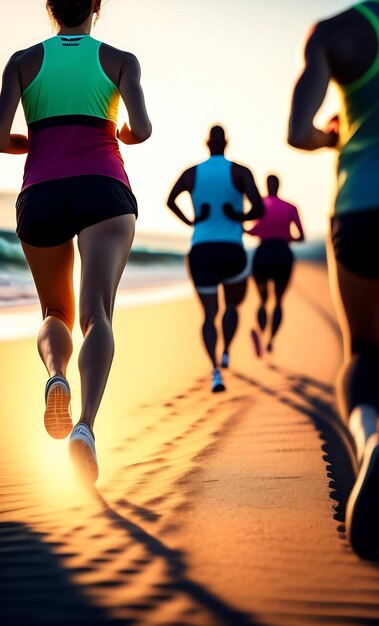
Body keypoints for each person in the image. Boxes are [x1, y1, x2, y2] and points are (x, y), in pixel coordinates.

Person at [0, 0, 152, 483]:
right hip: (103, 188)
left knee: (55, 313)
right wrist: (120, 132)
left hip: (41, 192)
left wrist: (32, 144)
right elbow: (142, 130)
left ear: (50, 7)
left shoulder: (23, 61)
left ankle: (56, 377)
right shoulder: (120, 60)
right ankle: (84, 427)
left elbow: (0, 136)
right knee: (97, 315)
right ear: (95, 6)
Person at [287, 0, 379, 558]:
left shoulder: (338, 32)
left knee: (364, 348)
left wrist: (332, 136)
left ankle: (373, 438)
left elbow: (297, 131)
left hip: (365, 208)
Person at [167, 125, 263, 392]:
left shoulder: (192, 173)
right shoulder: (240, 172)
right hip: (232, 249)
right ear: (227, 143)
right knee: (231, 308)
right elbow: (259, 208)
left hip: (202, 250)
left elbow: (170, 200)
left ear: (207, 143)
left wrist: (192, 220)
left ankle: (215, 371)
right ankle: (227, 351)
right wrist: (238, 217)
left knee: (209, 316)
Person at [246, 174, 304, 356]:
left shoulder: (259, 206)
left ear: (266, 185)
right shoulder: (290, 207)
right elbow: (301, 236)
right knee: (279, 301)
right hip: (283, 255)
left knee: (263, 300)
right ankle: (271, 340)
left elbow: (252, 231)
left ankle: (261, 333)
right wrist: (286, 236)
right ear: (279, 186)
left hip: (263, 254)